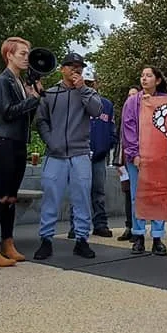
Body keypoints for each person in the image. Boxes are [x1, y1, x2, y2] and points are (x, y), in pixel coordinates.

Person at [33, 52, 103, 260]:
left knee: (81, 197)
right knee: (50, 197)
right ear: (62, 69)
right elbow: (41, 120)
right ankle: (46, 239)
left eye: (79, 66)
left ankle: (81, 239)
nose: (76, 69)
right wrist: (50, 140)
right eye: (71, 66)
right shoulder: (51, 93)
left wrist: (82, 88)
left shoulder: (88, 92)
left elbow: (97, 111)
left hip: (80, 152)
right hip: (55, 154)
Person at [0, 37, 41, 267]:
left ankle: (7, 242)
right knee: (0, 196)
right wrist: (32, 99)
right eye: (22, 53)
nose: (27, 57)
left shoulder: (19, 83)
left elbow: (26, 117)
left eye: (28, 53)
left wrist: (33, 98)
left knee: (11, 197)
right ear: (9, 55)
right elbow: (7, 112)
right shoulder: (1, 81)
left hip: (17, 142)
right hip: (4, 142)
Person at [122, 66, 167, 255]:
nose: (144, 79)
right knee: (137, 196)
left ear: (157, 80)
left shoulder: (166, 100)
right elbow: (128, 128)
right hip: (138, 157)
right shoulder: (132, 102)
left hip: (159, 156)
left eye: (149, 76)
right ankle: (139, 236)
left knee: (158, 195)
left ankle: (157, 237)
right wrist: (134, 153)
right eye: (142, 76)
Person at [71, 66, 115, 239]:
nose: (89, 86)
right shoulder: (74, 100)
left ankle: (100, 224)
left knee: (99, 192)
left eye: (91, 83)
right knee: (78, 191)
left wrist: (108, 144)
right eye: (86, 83)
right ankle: (75, 226)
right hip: (79, 153)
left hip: (99, 155)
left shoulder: (106, 105)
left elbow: (112, 128)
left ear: (96, 83)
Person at [117, 87, 139, 242]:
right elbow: (118, 140)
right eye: (129, 95)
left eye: (134, 95)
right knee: (127, 194)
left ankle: (139, 228)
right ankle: (129, 227)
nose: (131, 98)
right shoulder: (124, 117)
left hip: (138, 159)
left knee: (137, 195)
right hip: (125, 160)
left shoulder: (140, 116)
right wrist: (117, 162)